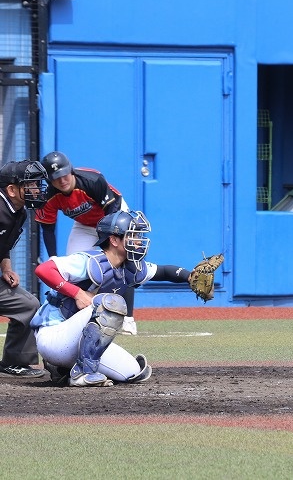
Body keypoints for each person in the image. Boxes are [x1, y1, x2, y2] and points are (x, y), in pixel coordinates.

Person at [31, 210, 197, 387]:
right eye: (133, 236)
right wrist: (77, 293)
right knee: (111, 304)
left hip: (76, 341)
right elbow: (43, 270)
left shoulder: (129, 267)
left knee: (132, 371)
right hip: (53, 336)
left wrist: (190, 277)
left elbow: (163, 271)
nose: (139, 241)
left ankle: (62, 369)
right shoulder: (90, 261)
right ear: (114, 240)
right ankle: (82, 373)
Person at [36, 151, 139, 335]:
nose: (62, 180)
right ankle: (77, 316)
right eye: (56, 178)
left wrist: (108, 244)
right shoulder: (49, 196)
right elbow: (48, 228)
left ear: (71, 170)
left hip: (114, 216)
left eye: (64, 174)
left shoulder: (92, 180)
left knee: (122, 260)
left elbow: (113, 211)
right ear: (49, 180)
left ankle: (128, 319)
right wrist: (52, 256)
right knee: (74, 268)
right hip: (85, 224)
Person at [0, 160, 48, 378]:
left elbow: (4, 246)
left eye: (37, 184)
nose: (37, 189)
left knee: (28, 305)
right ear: (12, 190)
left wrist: (6, 269)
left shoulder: (19, 213)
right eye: (31, 184)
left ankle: (15, 361)